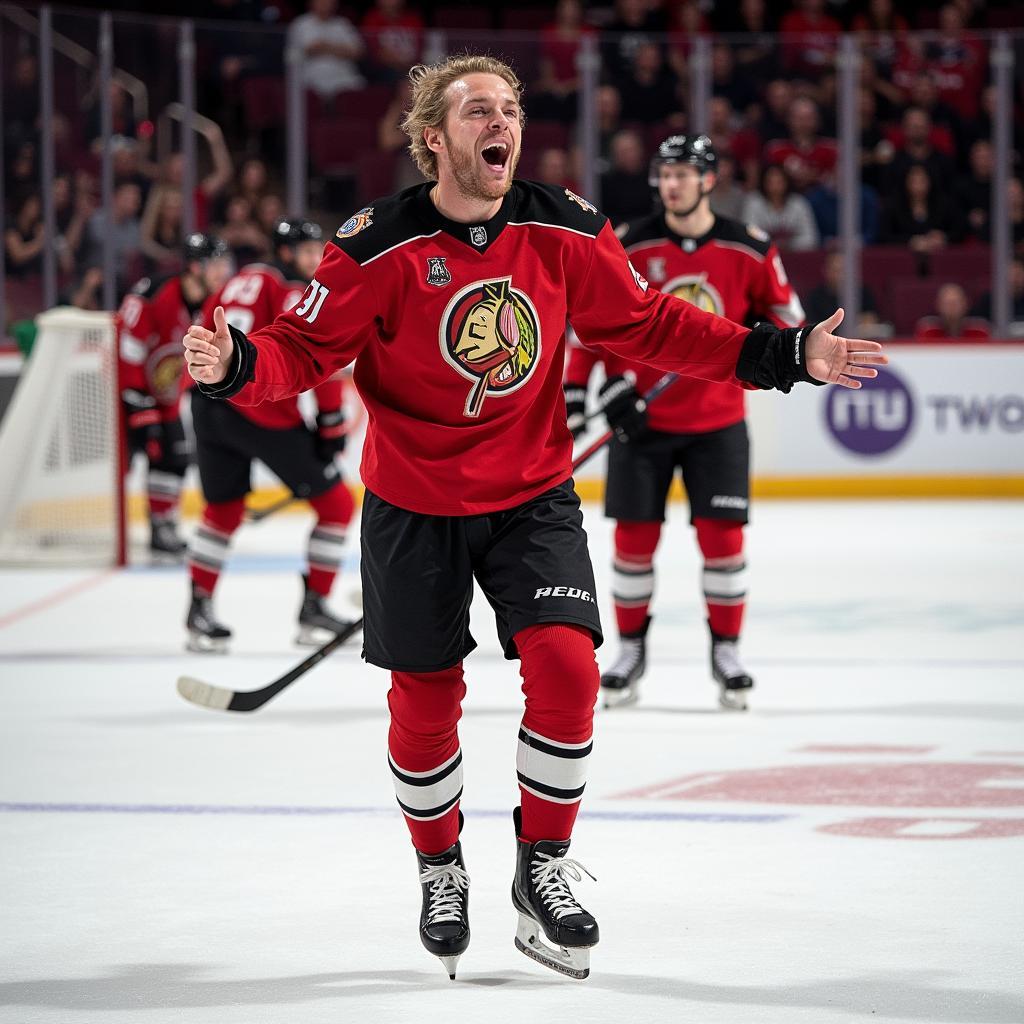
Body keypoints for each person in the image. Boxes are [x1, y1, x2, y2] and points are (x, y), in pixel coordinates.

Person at [183, 55, 884, 981]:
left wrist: (782, 351)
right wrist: (238, 366)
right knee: (425, 705)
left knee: (566, 667)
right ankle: (441, 870)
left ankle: (541, 864)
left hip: (530, 495)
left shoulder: (566, 227)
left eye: (510, 107)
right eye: (480, 109)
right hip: (412, 505)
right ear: (435, 137)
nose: (501, 121)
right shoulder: (373, 245)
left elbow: (650, 326)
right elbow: (303, 349)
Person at [564, 134, 806, 713]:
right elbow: (589, 326)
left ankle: (727, 652)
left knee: (723, 542)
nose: (671, 183)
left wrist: (764, 338)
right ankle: (630, 652)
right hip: (639, 425)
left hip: (717, 422)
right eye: (664, 173)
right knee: (632, 543)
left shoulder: (749, 248)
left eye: (683, 173)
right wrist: (591, 391)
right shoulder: (626, 243)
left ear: (709, 179)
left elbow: (788, 319)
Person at [186, 219, 357, 652]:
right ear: (286, 253)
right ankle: (315, 607)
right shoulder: (295, 289)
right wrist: (331, 423)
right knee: (336, 504)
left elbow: (205, 337)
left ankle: (198, 610)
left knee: (222, 510)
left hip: (208, 404)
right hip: (257, 409)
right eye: (307, 250)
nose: (316, 259)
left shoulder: (243, 278)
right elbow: (319, 356)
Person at [119, 233, 232, 559]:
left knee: (175, 456)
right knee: (124, 462)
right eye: (217, 264)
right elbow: (128, 352)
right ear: (195, 267)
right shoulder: (154, 294)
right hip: (127, 395)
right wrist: (138, 406)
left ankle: (161, 525)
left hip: (166, 398)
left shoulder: (214, 303)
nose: (223, 272)